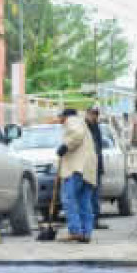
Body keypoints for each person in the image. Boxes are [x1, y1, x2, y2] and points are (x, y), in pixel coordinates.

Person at [56, 109, 98, 243]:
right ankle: (86, 233)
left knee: (69, 198)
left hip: (76, 167)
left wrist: (65, 146)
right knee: (84, 201)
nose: (59, 120)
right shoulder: (82, 123)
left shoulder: (72, 121)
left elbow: (77, 134)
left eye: (60, 117)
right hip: (88, 168)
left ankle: (75, 231)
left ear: (65, 116)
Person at [84, 104, 107, 230]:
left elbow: (99, 147)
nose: (94, 116)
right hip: (87, 166)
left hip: (97, 165)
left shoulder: (96, 126)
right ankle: (89, 221)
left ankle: (95, 220)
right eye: (92, 113)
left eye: (96, 114)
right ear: (87, 113)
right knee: (88, 194)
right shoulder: (84, 127)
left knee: (95, 194)